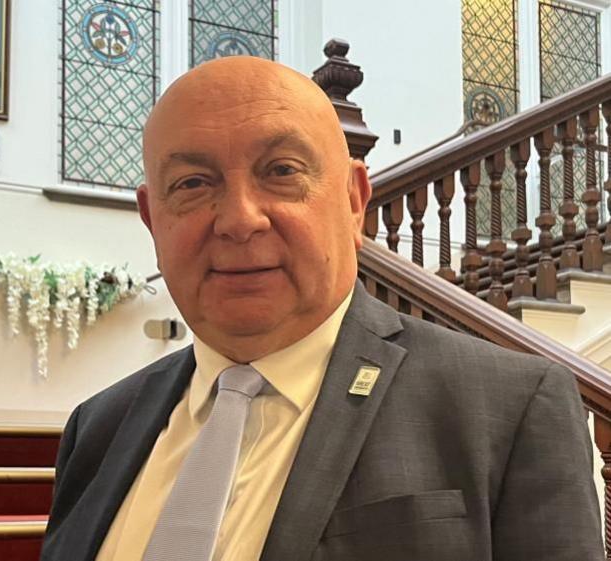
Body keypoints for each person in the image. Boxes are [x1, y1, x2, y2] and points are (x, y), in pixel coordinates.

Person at [40, 56, 603, 561]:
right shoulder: (99, 427)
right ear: (152, 219)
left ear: (354, 200)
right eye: (191, 182)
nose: (239, 219)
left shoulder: (508, 409)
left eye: (281, 172)